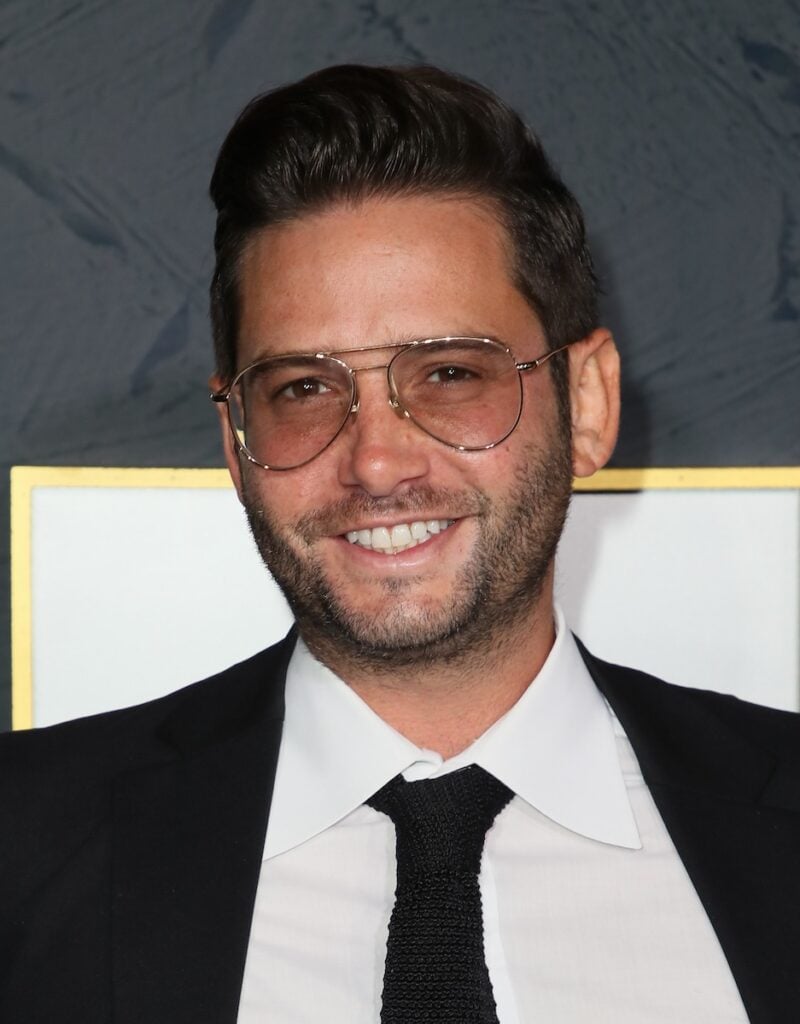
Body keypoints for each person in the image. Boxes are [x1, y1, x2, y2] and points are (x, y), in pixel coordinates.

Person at [1, 64, 798, 1024]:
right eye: (302, 388)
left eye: (452, 373)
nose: (377, 463)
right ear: (236, 440)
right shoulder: (25, 847)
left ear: (585, 404)